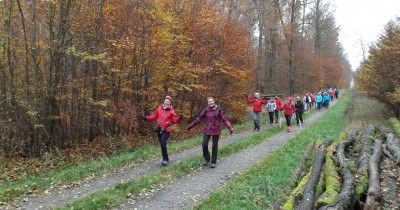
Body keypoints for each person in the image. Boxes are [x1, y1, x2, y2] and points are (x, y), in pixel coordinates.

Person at [187, 96, 233, 168]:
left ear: (214, 101)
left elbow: (224, 119)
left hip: (216, 130)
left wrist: (230, 127)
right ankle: (207, 159)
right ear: (208, 103)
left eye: (211, 101)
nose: (210, 103)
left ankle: (213, 162)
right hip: (207, 129)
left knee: (214, 146)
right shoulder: (206, 110)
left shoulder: (219, 110)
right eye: (209, 102)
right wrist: (191, 126)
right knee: (204, 144)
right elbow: (199, 118)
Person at [146, 96, 181, 166]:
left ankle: (165, 160)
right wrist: (146, 118)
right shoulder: (159, 109)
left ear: (170, 103)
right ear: (164, 102)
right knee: (162, 145)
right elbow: (153, 116)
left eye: (168, 102)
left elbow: (175, 120)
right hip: (159, 129)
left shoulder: (171, 111)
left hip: (166, 130)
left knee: (163, 144)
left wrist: (179, 118)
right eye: (166, 101)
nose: (167, 102)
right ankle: (164, 158)